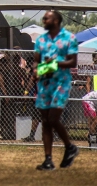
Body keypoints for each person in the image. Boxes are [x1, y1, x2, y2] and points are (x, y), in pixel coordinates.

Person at [33, 10, 79, 170]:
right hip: (45, 84)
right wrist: (35, 71)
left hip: (61, 83)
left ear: (56, 20)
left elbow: (73, 62)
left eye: (47, 18)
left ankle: (69, 146)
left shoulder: (69, 38)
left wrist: (54, 63)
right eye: (44, 18)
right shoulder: (40, 40)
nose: (44, 20)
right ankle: (48, 160)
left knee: (53, 118)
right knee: (45, 121)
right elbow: (36, 62)